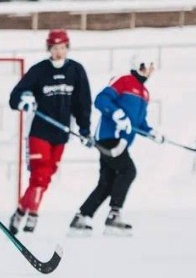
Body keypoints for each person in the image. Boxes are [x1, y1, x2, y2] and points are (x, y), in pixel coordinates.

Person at [6, 29, 92, 234]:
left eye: (62, 48)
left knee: (46, 176)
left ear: (67, 48)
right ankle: (33, 213)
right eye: (55, 48)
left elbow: (83, 103)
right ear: (49, 49)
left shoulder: (77, 71)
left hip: (61, 134)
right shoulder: (39, 70)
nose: (59, 52)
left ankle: (20, 211)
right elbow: (15, 97)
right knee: (40, 173)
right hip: (39, 132)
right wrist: (24, 100)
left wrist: (85, 129)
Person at [69, 56, 164, 235]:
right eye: (145, 66)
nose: (148, 70)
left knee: (107, 182)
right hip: (109, 137)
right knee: (128, 171)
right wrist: (116, 113)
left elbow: (139, 122)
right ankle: (114, 215)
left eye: (151, 67)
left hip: (122, 142)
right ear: (137, 66)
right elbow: (101, 100)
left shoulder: (144, 93)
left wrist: (150, 132)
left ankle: (81, 218)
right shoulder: (124, 81)